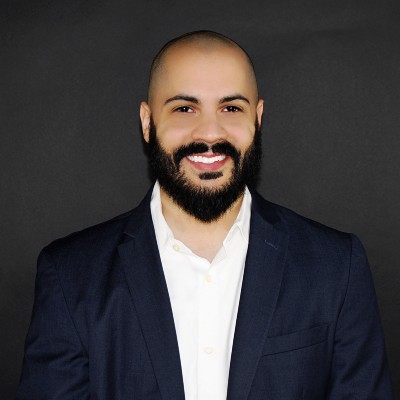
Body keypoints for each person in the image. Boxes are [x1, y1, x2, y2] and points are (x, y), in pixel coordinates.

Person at [17, 30, 393, 399]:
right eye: (185, 108)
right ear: (148, 122)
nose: (210, 133)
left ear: (258, 118)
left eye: (231, 108)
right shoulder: (70, 274)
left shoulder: (336, 267)